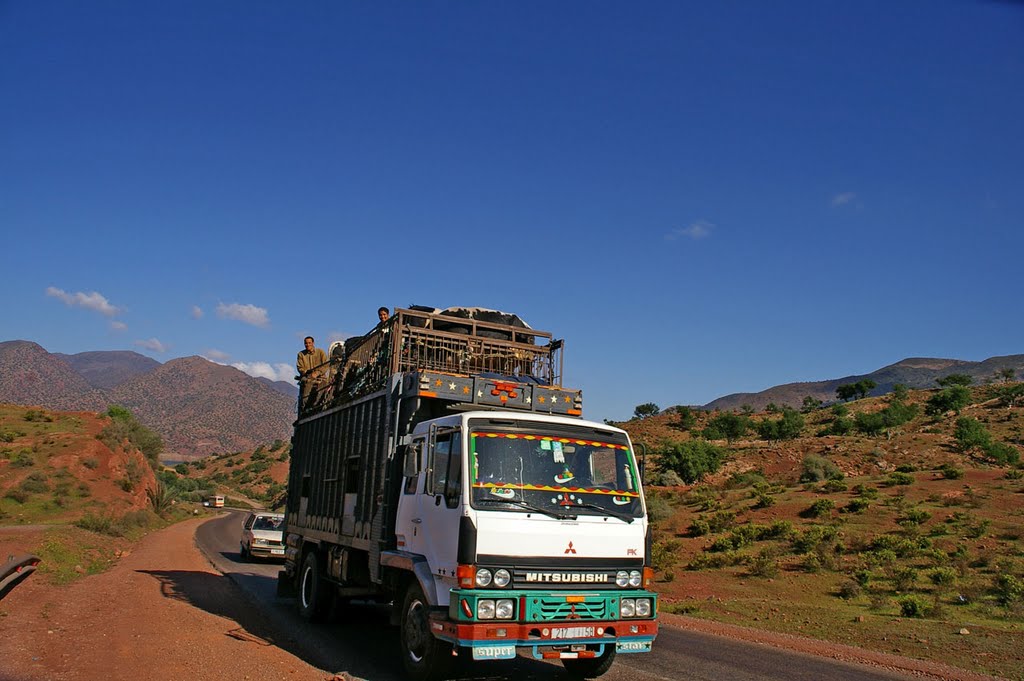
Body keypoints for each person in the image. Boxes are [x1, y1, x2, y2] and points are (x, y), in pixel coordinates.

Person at [296, 336, 327, 412]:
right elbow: (300, 367)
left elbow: (326, 365)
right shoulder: (301, 354)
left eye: (309, 343)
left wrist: (317, 373)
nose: (307, 345)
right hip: (307, 378)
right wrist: (306, 372)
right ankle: (305, 410)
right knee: (305, 397)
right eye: (306, 343)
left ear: (313, 343)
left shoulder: (321, 352)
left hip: (320, 377)